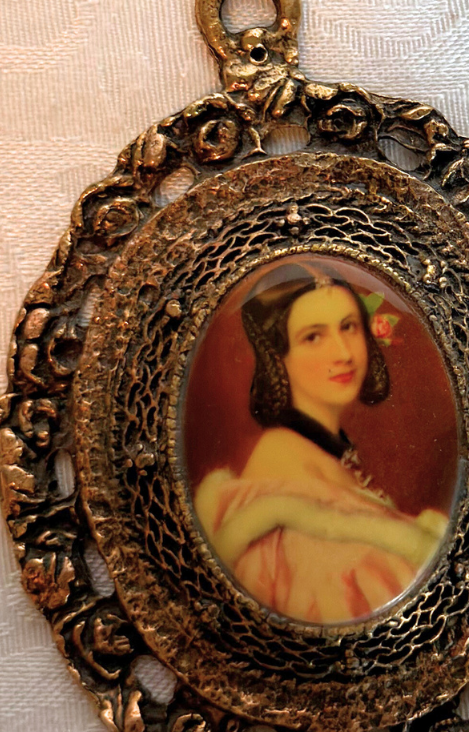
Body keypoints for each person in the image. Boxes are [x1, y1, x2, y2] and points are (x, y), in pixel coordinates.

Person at [192, 265, 448, 624]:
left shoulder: (322, 455)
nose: (343, 352)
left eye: (348, 327)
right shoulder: (281, 500)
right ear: (278, 357)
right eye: (314, 336)